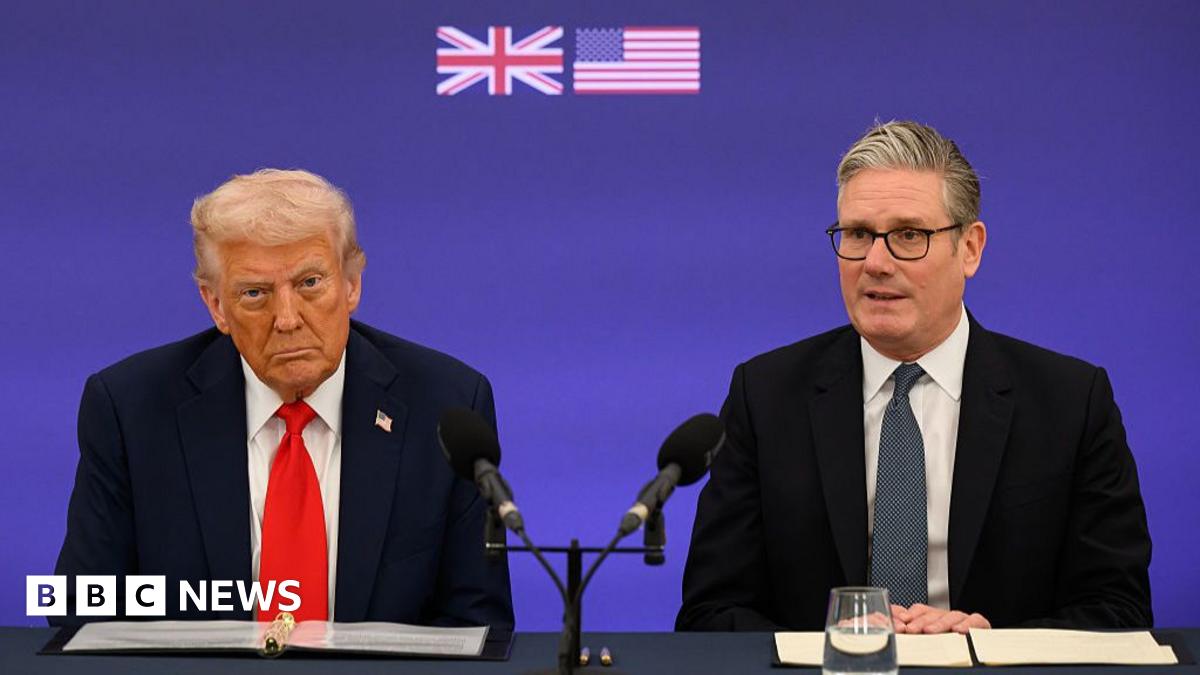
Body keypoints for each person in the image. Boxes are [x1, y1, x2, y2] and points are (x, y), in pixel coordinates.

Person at [677, 121, 1152, 634]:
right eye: (858, 234)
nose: (876, 262)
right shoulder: (766, 396)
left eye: (909, 235)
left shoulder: (1069, 404)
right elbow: (712, 614)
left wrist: (993, 648)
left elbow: (1117, 612)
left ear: (969, 248)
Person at [54, 169, 513, 628]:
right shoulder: (132, 409)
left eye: (310, 283)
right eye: (255, 293)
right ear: (216, 305)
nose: (287, 319)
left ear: (351, 284)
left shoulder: (446, 404)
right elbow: (81, 606)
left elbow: (476, 627)